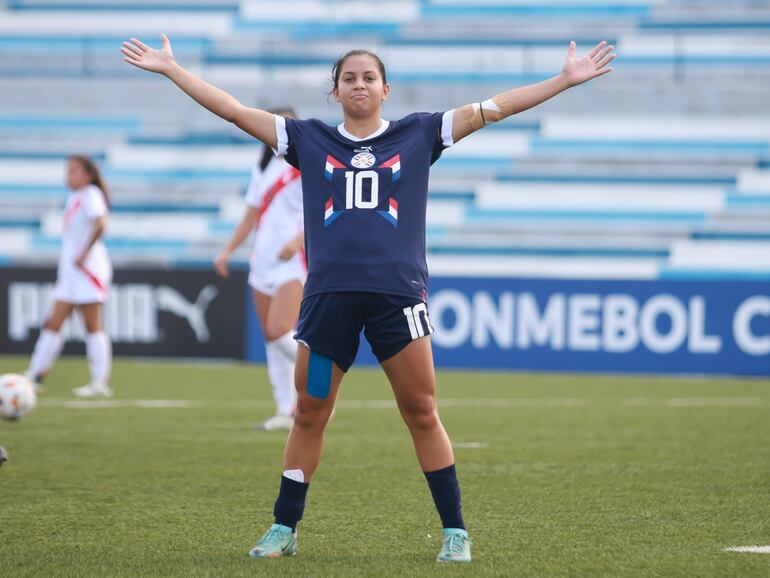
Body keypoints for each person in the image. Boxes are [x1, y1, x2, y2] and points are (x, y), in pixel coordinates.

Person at [121, 34, 615, 563]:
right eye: (349, 78)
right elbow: (235, 111)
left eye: (368, 77)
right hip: (327, 303)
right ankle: (283, 528)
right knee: (309, 411)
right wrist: (174, 70)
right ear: (335, 91)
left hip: (396, 302)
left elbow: (496, 108)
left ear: (386, 88)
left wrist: (564, 81)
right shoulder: (307, 139)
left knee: (421, 410)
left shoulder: (420, 132)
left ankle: (455, 532)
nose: (359, 84)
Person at [214, 109, 305, 431]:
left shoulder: (305, 164)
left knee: (281, 329)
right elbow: (250, 216)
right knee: (270, 337)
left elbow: (326, 208)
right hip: (262, 261)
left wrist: (299, 240)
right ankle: (285, 409)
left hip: (292, 262)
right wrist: (227, 250)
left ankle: (322, 379)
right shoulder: (263, 169)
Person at [25, 155, 113, 398]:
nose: (68, 176)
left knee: (91, 325)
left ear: (87, 174)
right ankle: (35, 374)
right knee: (53, 322)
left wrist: (84, 254)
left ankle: (99, 382)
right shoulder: (76, 197)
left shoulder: (91, 194)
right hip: (71, 273)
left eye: (73, 171)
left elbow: (101, 223)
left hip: (88, 270)